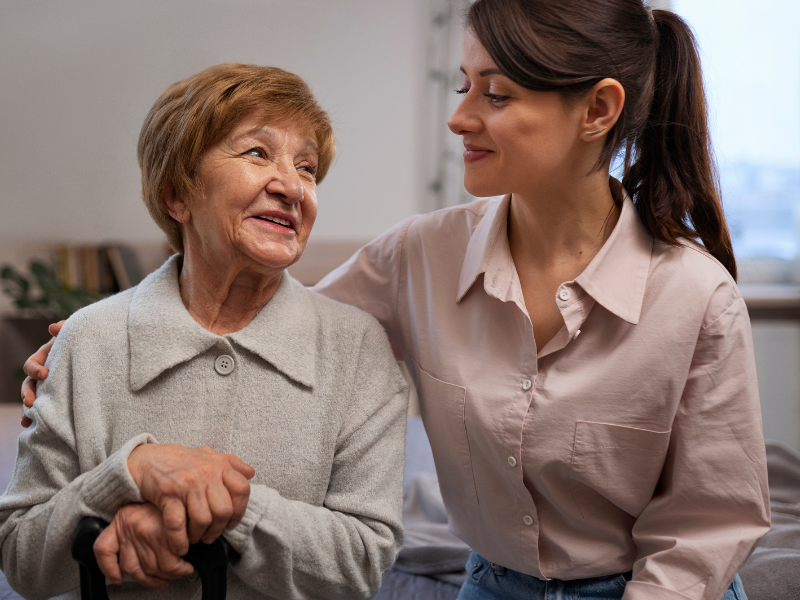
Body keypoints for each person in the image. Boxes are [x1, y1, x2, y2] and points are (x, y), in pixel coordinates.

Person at [21, 1, 771, 599]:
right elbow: (271, 326)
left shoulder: (696, 297)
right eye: (463, 85)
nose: (460, 116)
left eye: (496, 93)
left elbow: (710, 523)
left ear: (598, 110)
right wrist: (88, 351)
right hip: (493, 585)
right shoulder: (417, 255)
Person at [2, 63, 408, 599]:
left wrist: (225, 506)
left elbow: (363, 563)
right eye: (257, 153)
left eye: (307, 168)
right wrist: (131, 471)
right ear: (178, 195)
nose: (292, 187)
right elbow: (22, 560)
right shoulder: (89, 338)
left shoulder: (357, 347)